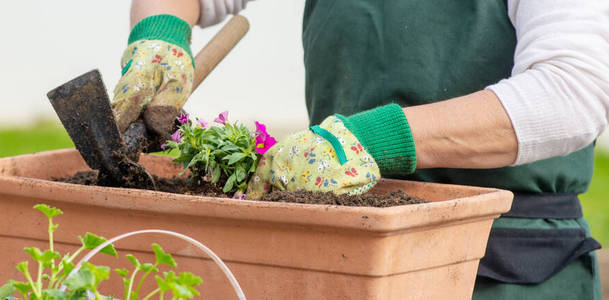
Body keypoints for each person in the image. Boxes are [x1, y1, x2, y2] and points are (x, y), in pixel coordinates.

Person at [110, 0, 609, 298]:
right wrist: (161, 32)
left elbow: (572, 91)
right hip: (346, 249)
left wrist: (372, 140)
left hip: (503, 264)